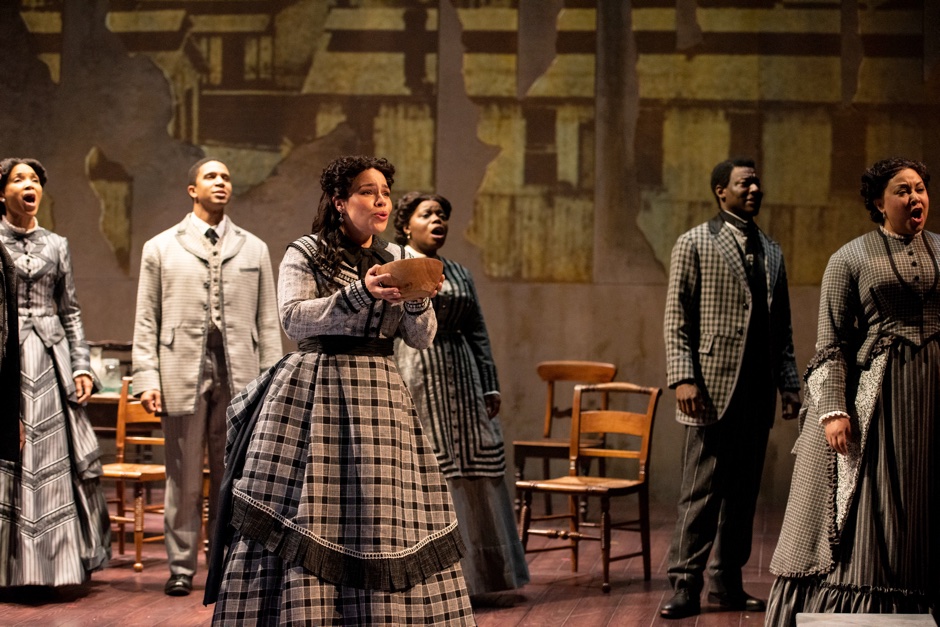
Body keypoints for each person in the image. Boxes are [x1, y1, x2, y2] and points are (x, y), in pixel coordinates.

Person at [209, 156, 474, 624]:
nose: (381, 201)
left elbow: (421, 338)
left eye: (385, 193)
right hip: (319, 391)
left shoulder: (398, 257)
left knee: (383, 514)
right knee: (315, 509)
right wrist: (359, 294)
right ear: (339, 201)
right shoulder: (307, 251)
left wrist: (417, 299)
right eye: (368, 192)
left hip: (380, 395)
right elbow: (293, 319)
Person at [765, 157, 938, 625]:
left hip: (934, 393)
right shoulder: (850, 258)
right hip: (883, 398)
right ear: (879, 203)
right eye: (902, 190)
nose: (915, 197)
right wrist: (834, 411)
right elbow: (831, 344)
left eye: (920, 189)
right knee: (880, 501)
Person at [132, 157, 282, 597]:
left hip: (239, 370)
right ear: (192, 190)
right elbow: (147, 319)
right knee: (181, 473)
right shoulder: (160, 247)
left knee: (232, 472)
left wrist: (272, 380)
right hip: (181, 368)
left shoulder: (253, 248)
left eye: (226, 177)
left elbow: (267, 321)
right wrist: (147, 378)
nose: (221, 182)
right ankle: (181, 566)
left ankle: (225, 563)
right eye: (211, 176)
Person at [661, 157, 801, 619]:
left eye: (757, 182)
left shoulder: (772, 250)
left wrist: (788, 384)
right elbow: (676, 319)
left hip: (756, 394)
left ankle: (727, 583)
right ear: (721, 190)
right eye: (744, 183)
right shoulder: (695, 242)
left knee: (742, 495)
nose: (755, 189)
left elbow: (781, 329)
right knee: (700, 493)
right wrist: (683, 377)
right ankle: (685, 583)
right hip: (709, 390)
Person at [392, 192, 529, 603]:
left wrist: (489, 383)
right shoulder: (395, 266)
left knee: (477, 464)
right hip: (415, 373)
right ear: (406, 225)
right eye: (427, 214)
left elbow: (477, 331)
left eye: (442, 214)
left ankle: (482, 576)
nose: (438, 220)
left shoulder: (460, 273)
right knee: (432, 468)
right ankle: (436, 579)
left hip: (462, 375)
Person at [0, 157, 110, 587]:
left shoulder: (57, 244)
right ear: (2, 193)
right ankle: (11, 569)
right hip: (8, 360)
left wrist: (82, 365)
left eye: (34, 180)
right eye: (19, 179)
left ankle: (56, 566)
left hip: (52, 359)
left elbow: (71, 311)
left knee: (55, 458)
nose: (29, 185)